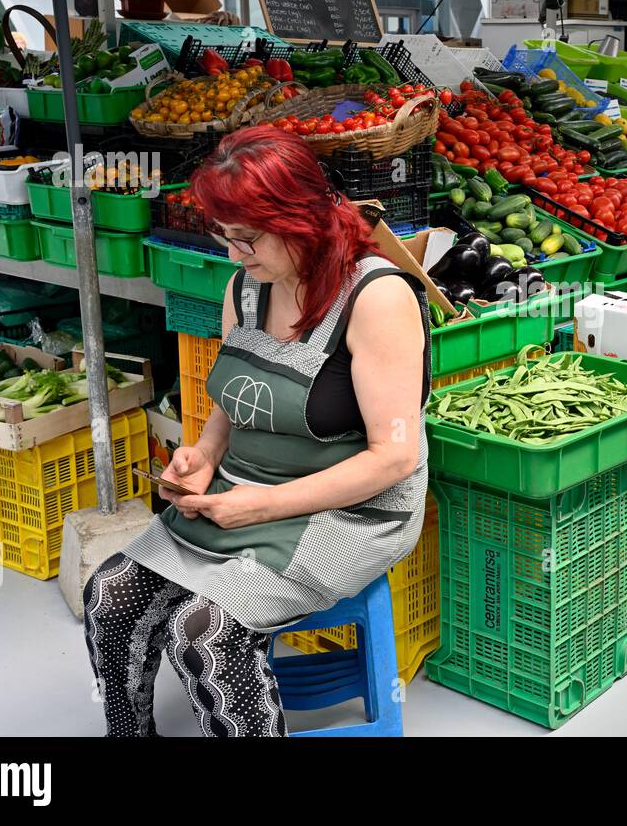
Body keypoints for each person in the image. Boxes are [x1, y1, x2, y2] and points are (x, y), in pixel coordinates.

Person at [83, 127, 431, 737]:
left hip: (353, 509)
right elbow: (235, 395)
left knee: (205, 631)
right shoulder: (246, 287)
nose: (234, 255)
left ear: (301, 218)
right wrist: (204, 453)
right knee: (109, 595)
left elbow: (394, 458)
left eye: (247, 239)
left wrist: (261, 506)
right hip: (246, 489)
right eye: (224, 237)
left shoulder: (376, 298)